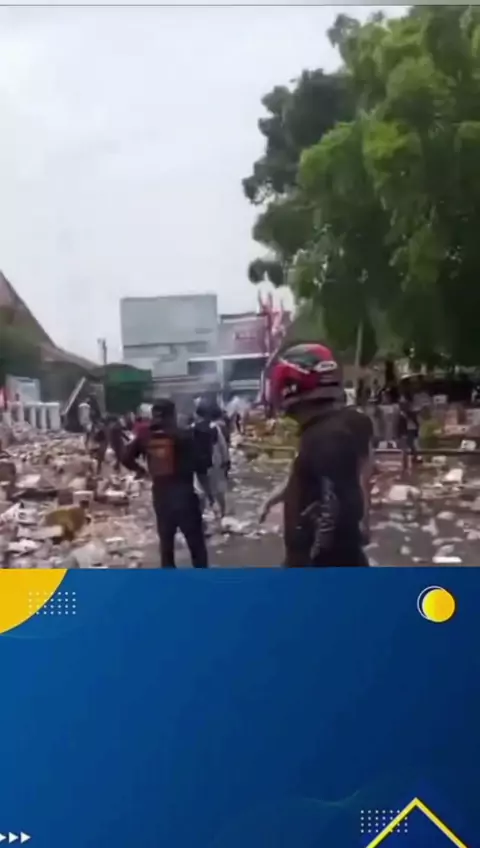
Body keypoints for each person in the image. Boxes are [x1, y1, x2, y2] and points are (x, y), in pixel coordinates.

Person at [268, 342, 374, 567]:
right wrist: (290, 488)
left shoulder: (325, 438)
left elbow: (335, 508)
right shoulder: (348, 423)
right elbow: (355, 476)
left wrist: (311, 563)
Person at [122, 399, 208, 568]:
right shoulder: (184, 435)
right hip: (185, 496)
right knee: (196, 545)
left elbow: (125, 458)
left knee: (166, 545)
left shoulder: (145, 436)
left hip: (161, 497)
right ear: (172, 415)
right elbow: (202, 465)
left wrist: (141, 471)